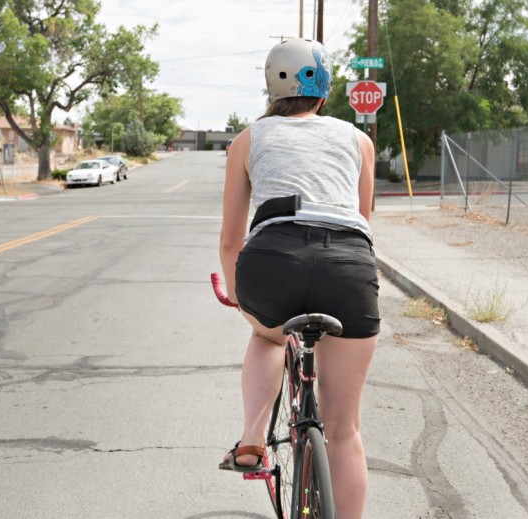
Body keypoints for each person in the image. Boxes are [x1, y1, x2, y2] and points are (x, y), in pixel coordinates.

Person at [218, 37, 379, 519]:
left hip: (272, 264)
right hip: (348, 267)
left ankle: (252, 438)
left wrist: (240, 297)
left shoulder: (248, 139)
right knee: (344, 429)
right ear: (325, 88)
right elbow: (363, 221)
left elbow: (231, 239)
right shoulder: (359, 140)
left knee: (266, 337)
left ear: (271, 86)